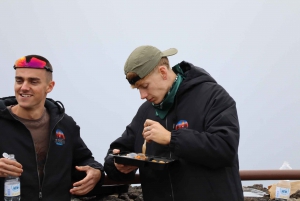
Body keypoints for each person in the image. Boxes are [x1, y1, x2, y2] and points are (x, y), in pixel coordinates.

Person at [104, 45, 244, 201]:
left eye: (145, 86)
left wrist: (172, 138)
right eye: (138, 89)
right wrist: (116, 164)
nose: (142, 96)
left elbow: (225, 148)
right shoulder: (145, 111)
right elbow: (118, 150)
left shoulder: (213, 96)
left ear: (163, 72)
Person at [0, 55, 104, 200]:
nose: (23, 87)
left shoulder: (65, 124)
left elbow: (84, 159)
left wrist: (97, 172)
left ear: (50, 86)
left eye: (33, 81)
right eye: (19, 80)